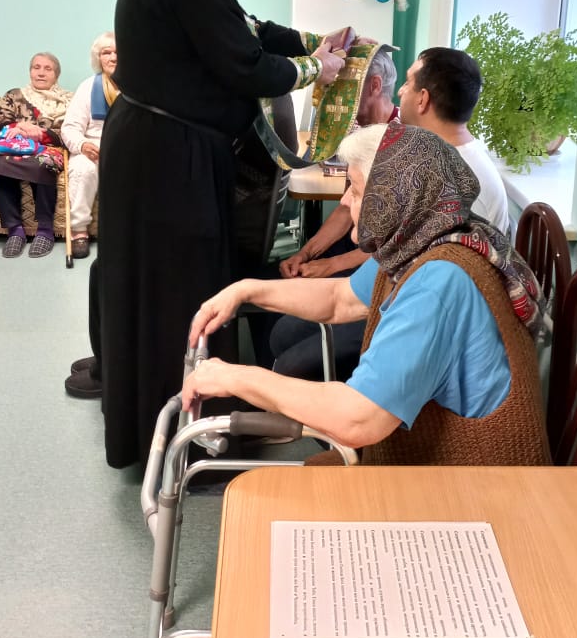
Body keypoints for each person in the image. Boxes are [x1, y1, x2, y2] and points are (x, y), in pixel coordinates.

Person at [95, 0, 345, 468]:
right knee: (179, 290)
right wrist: (319, 70)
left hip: (160, 151)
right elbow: (245, 64)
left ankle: (174, 425)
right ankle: (187, 436)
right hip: (165, 161)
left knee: (171, 286)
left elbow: (249, 29)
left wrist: (310, 42)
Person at [183, 121, 550, 466]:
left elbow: (357, 419)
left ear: (390, 200)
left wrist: (234, 378)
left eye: (356, 191)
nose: (345, 202)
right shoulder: (424, 239)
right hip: (444, 464)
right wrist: (246, 290)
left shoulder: (437, 281)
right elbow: (339, 300)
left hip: (477, 480)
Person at [271, 48, 400, 379]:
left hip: (381, 265)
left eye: (346, 90)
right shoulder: (360, 133)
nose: (338, 100)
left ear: (374, 86)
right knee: (281, 316)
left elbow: (395, 244)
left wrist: (330, 265)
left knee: (292, 351)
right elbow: (345, 209)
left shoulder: (401, 145)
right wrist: (306, 253)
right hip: (360, 250)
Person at [397, 47, 510, 234]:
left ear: (423, 99)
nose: (400, 91)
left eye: (408, 82)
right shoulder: (441, 158)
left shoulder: (461, 184)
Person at [0, 52, 72, 258]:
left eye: (47, 69)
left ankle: (45, 229)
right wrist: (19, 128)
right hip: (16, 145)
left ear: (56, 75)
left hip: (48, 148)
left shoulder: (69, 100)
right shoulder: (14, 95)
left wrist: (42, 134)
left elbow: (71, 130)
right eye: (36, 67)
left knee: (44, 163)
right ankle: (15, 230)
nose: (41, 73)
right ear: (30, 72)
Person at [60, 32, 119, 260]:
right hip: (92, 149)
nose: (113, 57)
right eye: (106, 53)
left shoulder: (139, 87)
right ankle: (79, 231)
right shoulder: (87, 87)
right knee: (82, 169)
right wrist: (83, 145)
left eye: (118, 52)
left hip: (127, 149)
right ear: (98, 58)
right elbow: (69, 128)